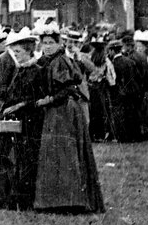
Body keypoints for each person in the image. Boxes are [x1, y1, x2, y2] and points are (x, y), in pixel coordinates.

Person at [32, 26, 105, 214]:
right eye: (44, 43)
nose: (47, 46)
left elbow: (68, 88)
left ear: (59, 44)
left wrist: (49, 100)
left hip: (64, 111)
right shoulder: (49, 60)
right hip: (56, 111)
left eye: (51, 43)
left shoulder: (61, 61)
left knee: (65, 154)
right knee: (55, 154)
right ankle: (56, 199)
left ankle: (68, 200)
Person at [0, 30, 44, 210]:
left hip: (28, 121)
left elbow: (35, 98)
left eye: (18, 52)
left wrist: (16, 106)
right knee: (8, 159)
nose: (15, 55)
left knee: (23, 161)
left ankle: (21, 200)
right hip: (13, 119)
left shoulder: (36, 71)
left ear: (28, 51)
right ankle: (6, 198)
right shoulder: (21, 70)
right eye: (14, 52)